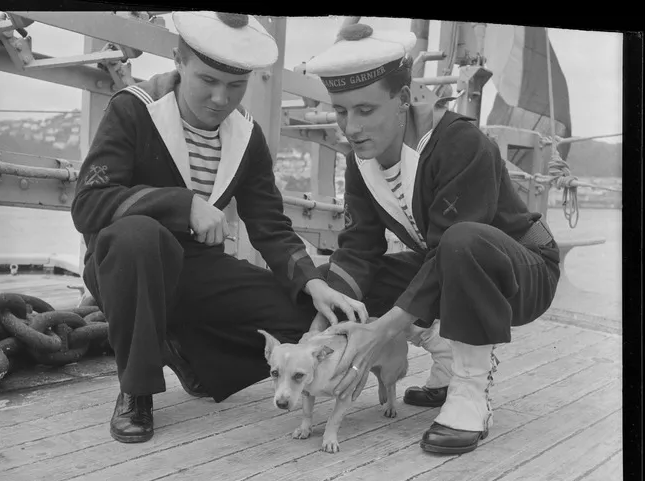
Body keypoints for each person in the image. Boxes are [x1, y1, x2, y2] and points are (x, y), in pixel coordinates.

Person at [71, 11, 366, 444]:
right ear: (179, 61)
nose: (219, 97)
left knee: (303, 320)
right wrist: (181, 203)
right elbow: (88, 204)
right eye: (207, 80)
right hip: (126, 263)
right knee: (140, 237)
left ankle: (192, 357)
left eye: (234, 85)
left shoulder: (247, 137)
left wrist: (312, 284)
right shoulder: (134, 110)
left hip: (197, 268)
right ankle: (136, 389)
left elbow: (269, 225)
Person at [304, 23, 560, 454]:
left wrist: (382, 332)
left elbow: (453, 248)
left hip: (524, 270)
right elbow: (360, 249)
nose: (351, 126)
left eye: (365, 110)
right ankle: (445, 368)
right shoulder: (360, 163)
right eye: (341, 111)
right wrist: (324, 323)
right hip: (450, 264)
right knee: (330, 278)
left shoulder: (459, 141)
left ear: (403, 99)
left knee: (462, 243)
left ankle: (470, 392)